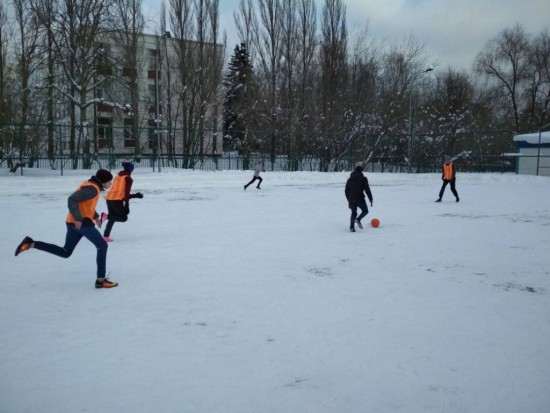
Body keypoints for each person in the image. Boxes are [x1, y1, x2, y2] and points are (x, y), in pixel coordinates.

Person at [14, 169, 118, 289]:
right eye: (110, 182)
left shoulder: (92, 186)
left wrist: (95, 216)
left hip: (72, 223)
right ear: (103, 181)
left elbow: (84, 204)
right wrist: (78, 219)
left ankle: (31, 244)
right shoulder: (92, 189)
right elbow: (72, 199)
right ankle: (101, 280)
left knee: (65, 252)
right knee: (102, 245)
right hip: (82, 224)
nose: (111, 184)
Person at [102, 161, 143, 242]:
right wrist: (127, 205)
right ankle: (106, 216)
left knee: (113, 217)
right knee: (124, 218)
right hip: (116, 201)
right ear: (131, 170)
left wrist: (135, 195)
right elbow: (126, 193)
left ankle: (106, 237)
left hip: (109, 199)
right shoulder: (128, 178)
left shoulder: (118, 177)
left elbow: (120, 193)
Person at [345, 165, 373, 232]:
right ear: (361, 171)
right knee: (365, 211)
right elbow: (367, 189)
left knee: (353, 213)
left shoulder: (349, 179)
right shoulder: (363, 179)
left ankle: (352, 227)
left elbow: (346, 190)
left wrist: (349, 199)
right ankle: (358, 219)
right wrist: (370, 198)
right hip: (360, 198)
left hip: (352, 199)